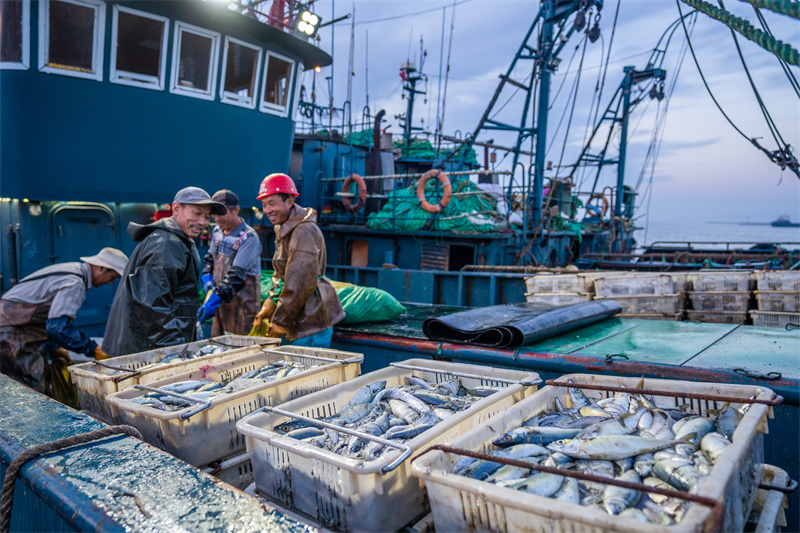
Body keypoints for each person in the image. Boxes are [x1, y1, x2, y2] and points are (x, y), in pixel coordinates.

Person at [103, 187, 226, 357]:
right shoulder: (166, 243)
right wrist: (175, 351)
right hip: (147, 352)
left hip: (151, 346)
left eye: (206, 217)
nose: (203, 222)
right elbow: (153, 305)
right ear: (176, 209)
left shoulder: (177, 240)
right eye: (197, 213)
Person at [0, 247, 128, 400]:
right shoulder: (75, 282)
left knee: (44, 380)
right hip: (12, 331)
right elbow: (57, 328)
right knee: (31, 390)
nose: (111, 282)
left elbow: (45, 313)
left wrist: (53, 347)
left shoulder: (72, 270)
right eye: (112, 276)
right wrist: (93, 349)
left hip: (18, 328)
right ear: (101, 268)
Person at [252, 173, 344, 347]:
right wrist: (271, 301)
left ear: (289, 201)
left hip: (312, 319)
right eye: (264, 205)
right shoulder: (283, 226)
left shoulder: (304, 231)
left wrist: (280, 320)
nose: (267, 210)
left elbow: (300, 281)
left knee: (309, 371)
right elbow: (281, 273)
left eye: (272, 203)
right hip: (296, 315)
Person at [197, 189, 262, 335]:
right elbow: (209, 258)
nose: (216, 218)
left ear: (236, 210)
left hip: (242, 310)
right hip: (221, 305)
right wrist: (207, 280)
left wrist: (213, 300)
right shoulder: (217, 232)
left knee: (240, 350)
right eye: (214, 214)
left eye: (221, 213)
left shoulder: (248, 238)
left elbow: (236, 277)